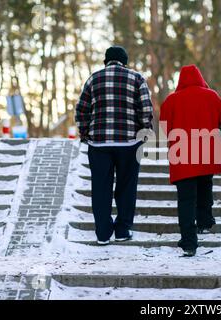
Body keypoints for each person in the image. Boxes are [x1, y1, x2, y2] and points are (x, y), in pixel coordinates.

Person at [75, 46, 154, 245]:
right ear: (124, 62)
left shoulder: (94, 78)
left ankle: (102, 234)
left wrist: (85, 132)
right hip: (129, 142)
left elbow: (82, 109)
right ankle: (122, 230)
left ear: (106, 61)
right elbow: (145, 108)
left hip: (99, 143)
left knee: (100, 187)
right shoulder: (136, 78)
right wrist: (145, 130)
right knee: (127, 186)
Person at [160, 65, 221, 257]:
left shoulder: (171, 100)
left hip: (182, 155)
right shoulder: (212, 96)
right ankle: (205, 222)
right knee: (205, 185)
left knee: (186, 199)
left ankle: (189, 242)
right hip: (207, 150)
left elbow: (165, 126)